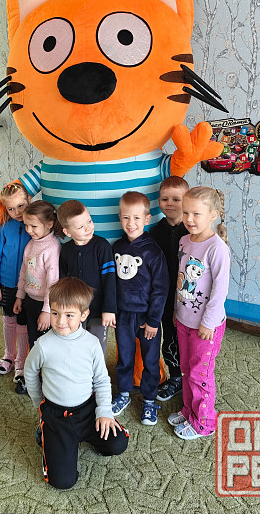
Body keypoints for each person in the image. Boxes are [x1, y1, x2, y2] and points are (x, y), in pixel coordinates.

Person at [24, 277, 129, 490]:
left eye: (69, 315)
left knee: (117, 443)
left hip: (87, 410)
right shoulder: (43, 345)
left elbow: (101, 380)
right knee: (62, 482)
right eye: (55, 313)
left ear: (84, 314)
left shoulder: (91, 343)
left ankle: (82, 437)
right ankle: (46, 433)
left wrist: (104, 412)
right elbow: (30, 372)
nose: (60, 321)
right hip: (56, 415)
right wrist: (39, 404)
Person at [168, 186, 230, 440]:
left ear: (213, 214)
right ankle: (189, 410)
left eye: (196, 214)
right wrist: (176, 309)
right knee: (186, 369)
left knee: (200, 374)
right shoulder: (185, 241)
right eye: (186, 213)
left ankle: (204, 423)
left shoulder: (217, 248)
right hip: (184, 319)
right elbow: (181, 279)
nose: (189, 219)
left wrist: (209, 322)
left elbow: (220, 290)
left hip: (206, 326)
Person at [111, 191, 168, 426]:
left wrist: (154, 320)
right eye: (126, 217)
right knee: (124, 357)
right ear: (120, 218)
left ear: (147, 219)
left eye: (136, 218)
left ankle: (149, 399)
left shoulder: (153, 251)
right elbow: (111, 283)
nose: (131, 223)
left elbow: (161, 289)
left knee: (150, 360)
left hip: (147, 318)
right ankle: (123, 393)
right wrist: (111, 310)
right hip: (123, 316)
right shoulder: (116, 246)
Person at [13, 200, 62, 393]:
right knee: (33, 341)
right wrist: (19, 296)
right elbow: (24, 271)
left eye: (33, 226)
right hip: (30, 302)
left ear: (49, 224)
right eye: (26, 225)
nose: (28, 230)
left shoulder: (52, 248)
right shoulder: (31, 245)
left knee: (47, 345)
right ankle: (34, 378)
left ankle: (49, 380)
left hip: (45, 306)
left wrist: (47, 311)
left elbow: (53, 283)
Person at [57, 199, 117, 356]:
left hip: (98, 310)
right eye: (80, 227)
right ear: (67, 232)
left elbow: (110, 280)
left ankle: (97, 373)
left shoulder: (102, 246)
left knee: (97, 348)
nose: (88, 228)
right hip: (74, 310)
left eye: (89, 221)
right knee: (75, 347)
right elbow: (62, 281)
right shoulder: (66, 250)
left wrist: (109, 309)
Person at [150, 176, 189, 402]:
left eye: (176, 199)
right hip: (164, 297)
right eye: (165, 199)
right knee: (170, 338)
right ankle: (175, 377)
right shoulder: (155, 232)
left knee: (191, 340)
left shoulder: (192, 232)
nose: (170, 203)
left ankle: (192, 377)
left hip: (188, 298)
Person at [0, 182, 31, 387]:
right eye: (11, 209)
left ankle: (22, 361)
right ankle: (9, 355)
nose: (17, 212)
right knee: (8, 319)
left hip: (28, 286)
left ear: (29, 201)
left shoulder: (34, 227)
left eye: (21, 206)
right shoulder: (4, 228)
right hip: (6, 284)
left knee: (23, 324)